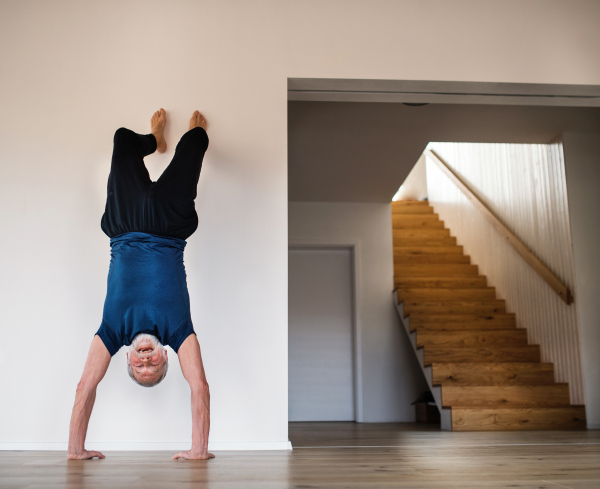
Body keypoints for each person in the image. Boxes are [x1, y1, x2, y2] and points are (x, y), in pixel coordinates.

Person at [67, 109, 215, 461]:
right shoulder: (178, 331)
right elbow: (200, 387)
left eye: (139, 367)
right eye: (155, 367)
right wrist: (199, 450)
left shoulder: (111, 333)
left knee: (122, 139)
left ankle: (153, 140)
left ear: (128, 359)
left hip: (124, 227)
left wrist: (75, 451)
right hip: (169, 226)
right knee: (195, 142)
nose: (146, 362)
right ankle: (182, 140)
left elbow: (85, 386)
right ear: (167, 356)